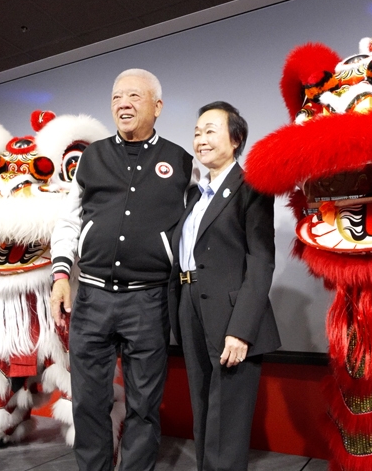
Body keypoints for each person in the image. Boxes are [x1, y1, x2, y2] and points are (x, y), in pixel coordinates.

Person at [50, 69, 194, 471]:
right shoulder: (92, 157)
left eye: (134, 96)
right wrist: (61, 275)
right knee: (89, 402)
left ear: (157, 106)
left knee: (144, 406)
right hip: (92, 298)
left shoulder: (182, 162)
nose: (123, 104)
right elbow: (69, 221)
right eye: (116, 97)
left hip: (148, 301)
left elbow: (201, 225)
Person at [169, 101, 280, 471]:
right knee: (204, 405)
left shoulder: (251, 187)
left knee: (227, 413)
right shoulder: (193, 195)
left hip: (232, 313)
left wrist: (241, 330)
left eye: (210, 130)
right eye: (197, 132)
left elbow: (261, 260)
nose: (200, 139)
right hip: (190, 303)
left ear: (236, 139)